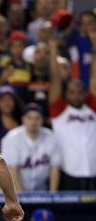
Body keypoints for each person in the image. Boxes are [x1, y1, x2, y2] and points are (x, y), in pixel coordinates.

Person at [48, 35, 96, 190]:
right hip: (69, 175)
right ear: (65, 94)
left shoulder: (92, 108)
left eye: (80, 92)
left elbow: (94, 78)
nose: (76, 95)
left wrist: (94, 44)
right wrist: (53, 48)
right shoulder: (59, 110)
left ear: (85, 94)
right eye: (71, 92)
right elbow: (55, 78)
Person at [0, 104, 60, 192]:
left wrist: (52, 197)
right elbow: (12, 171)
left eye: (37, 118)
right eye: (29, 118)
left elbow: (55, 168)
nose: (33, 121)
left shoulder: (51, 137)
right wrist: (22, 200)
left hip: (41, 192)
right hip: (14, 192)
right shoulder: (11, 138)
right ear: (23, 119)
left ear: (42, 120)